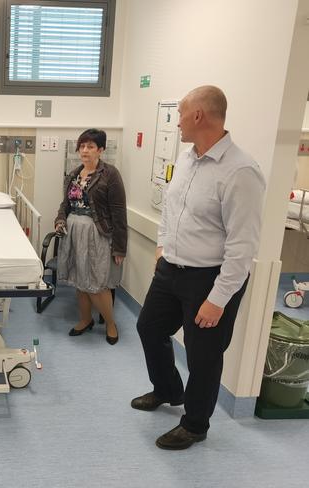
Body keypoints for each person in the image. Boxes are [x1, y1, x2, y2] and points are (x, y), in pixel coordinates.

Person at [131, 86, 266, 450]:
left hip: (210, 277)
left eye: (181, 115)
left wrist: (218, 299)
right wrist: (161, 247)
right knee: (149, 328)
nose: (177, 123)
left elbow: (243, 247)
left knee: (203, 354)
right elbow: (173, 208)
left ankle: (195, 424)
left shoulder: (241, 171)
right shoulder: (188, 158)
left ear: (198, 116)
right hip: (171, 269)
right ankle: (167, 389)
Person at [54, 128, 127, 344]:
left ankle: (111, 324)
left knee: (98, 284)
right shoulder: (74, 174)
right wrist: (60, 220)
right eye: (82, 146)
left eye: (90, 146)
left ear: (101, 150)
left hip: (98, 234)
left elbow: (119, 212)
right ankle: (85, 320)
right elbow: (64, 205)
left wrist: (120, 248)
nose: (85, 150)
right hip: (74, 233)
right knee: (80, 281)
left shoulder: (110, 174)